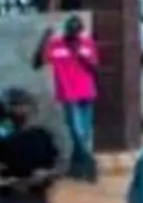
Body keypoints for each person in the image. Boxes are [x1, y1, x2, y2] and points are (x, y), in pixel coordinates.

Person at [37, 15, 101, 183]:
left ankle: (77, 165)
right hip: (68, 93)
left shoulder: (87, 44)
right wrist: (45, 39)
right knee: (76, 131)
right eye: (71, 32)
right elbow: (38, 62)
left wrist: (80, 54)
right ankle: (88, 164)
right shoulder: (55, 45)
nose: (74, 36)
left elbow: (94, 67)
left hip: (87, 92)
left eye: (76, 32)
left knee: (84, 133)